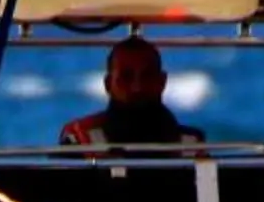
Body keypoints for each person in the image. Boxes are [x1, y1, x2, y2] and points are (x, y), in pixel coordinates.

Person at [59, 34, 202, 148]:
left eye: (147, 76)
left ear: (162, 82)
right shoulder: (79, 142)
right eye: (126, 77)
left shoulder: (190, 145)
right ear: (108, 84)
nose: (137, 87)